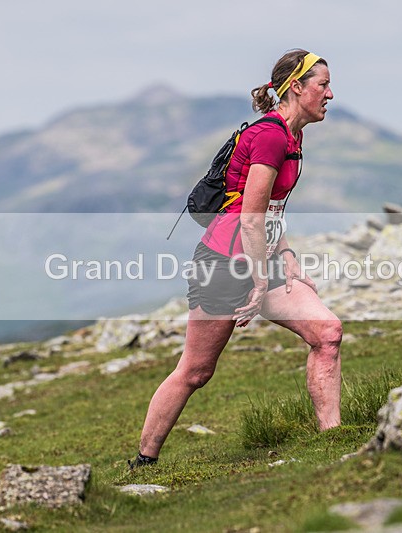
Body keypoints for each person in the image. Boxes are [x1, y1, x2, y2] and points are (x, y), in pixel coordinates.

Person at [129, 49, 341, 469]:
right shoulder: (270, 136)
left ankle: (333, 441)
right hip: (225, 265)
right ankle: (143, 461)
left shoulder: (293, 135)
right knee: (195, 372)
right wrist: (261, 279)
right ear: (296, 88)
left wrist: (287, 256)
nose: (330, 94)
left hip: (262, 260)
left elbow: (271, 208)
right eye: (323, 85)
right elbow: (250, 215)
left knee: (328, 334)